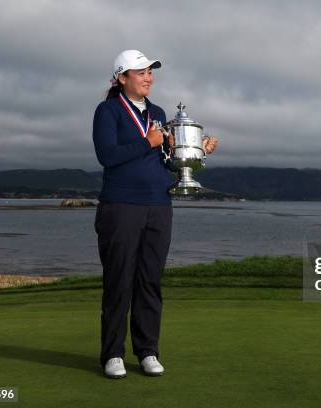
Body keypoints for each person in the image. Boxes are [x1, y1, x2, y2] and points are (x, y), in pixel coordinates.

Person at [92, 49, 218, 379]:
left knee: (150, 281)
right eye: (141, 72)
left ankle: (148, 351)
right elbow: (107, 155)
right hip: (120, 205)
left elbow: (167, 161)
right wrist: (148, 142)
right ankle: (113, 354)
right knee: (119, 281)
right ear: (122, 78)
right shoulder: (108, 111)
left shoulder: (160, 113)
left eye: (151, 71)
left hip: (159, 206)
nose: (149, 77)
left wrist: (197, 154)